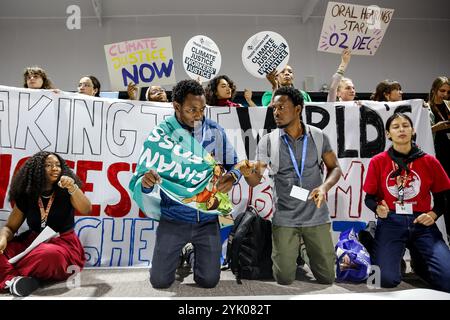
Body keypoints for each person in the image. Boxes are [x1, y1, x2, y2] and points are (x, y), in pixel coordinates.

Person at [129, 79, 255, 289]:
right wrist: (147, 182)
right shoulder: (162, 134)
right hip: (173, 218)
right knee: (159, 282)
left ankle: (190, 253)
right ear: (176, 107)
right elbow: (142, 181)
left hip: (207, 220)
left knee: (208, 281)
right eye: (192, 110)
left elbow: (237, 165)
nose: (199, 115)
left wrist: (233, 177)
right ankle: (181, 251)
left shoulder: (214, 131)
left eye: (202, 109)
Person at [246, 86, 342, 285]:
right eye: (274, 108)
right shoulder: (268, 141)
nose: (276, 113)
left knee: (327, 278)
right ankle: (292, 249)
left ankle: (305, 249)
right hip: (285, 216)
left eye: (281, 107)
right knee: (284, 278)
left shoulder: (318, 136)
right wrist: (248, 173)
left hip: (316, 215)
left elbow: (335, 168)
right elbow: (255, 180)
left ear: (298, 109)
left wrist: (324, 188)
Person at [363, 113, 450, 292]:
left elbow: (443, 199)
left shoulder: (429, 161)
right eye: (395, 127)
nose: (401, 129)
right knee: (381, 279)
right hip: (391, 221)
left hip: (422, 222)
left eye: (405, 125)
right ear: (388, 134)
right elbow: (368, 198)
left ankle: (419, 262)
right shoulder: (378, 161)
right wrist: (378, 208)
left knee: (448, 281)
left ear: (413, 130)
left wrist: (433, 214)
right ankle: (374, 242)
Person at [0, 151, 91, 297]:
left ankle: (7, 276)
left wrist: (73, 188)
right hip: (33, 242)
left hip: (63, 244)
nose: (55, 168)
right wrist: (3, 238)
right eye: (48, 165)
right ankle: (15, 280)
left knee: (48, 255)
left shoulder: (67, 191)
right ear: (36, 171)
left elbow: (86, 209)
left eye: (57, 165)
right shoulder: (27, 195)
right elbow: (10, 228)